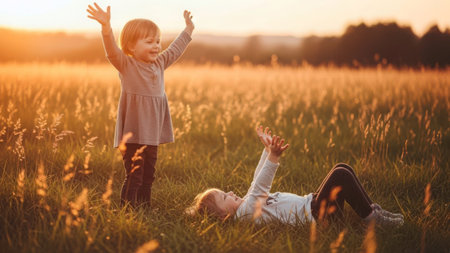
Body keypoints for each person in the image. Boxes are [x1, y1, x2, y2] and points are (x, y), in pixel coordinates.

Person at [87, 3, 194, 208]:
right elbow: (111, 50)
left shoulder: (160, 63)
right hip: (133, 135)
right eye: (149, 42)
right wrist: (106, 28)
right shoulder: (126, 65)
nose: (156, 46)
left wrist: (188, 29)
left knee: (148, 175)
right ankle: (127, 211)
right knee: (134, 175)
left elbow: (175, 49)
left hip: (152, 135)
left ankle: (145, 209)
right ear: (131, 47)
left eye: (157, 41)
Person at [187, 126, 404, 227]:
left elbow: (255, 182)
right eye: (225, 197)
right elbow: (261, 186)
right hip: (318, 216)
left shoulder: (245, 206)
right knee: (339, 174)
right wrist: (273, 156)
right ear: (224, 216)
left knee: (342, 167)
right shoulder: (244, 215)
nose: (231, 192)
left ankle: (370, 210)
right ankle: (371, 220)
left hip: (314, 204)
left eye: (226, 192)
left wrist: (266, 150)